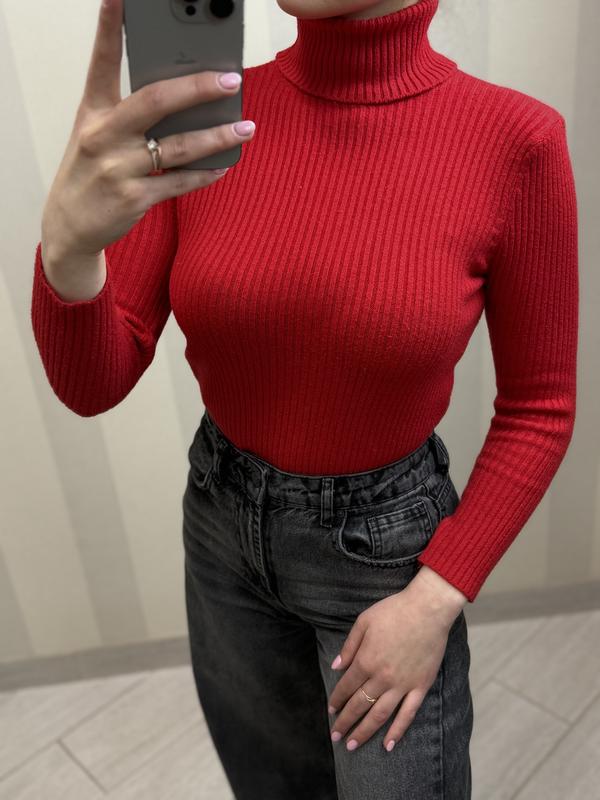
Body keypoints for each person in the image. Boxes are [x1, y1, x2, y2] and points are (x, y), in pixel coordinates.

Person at [30, 0, 578, 797]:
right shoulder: (205, 118)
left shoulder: (515, 140)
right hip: (221, 528)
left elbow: (540, 409)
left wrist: (435, 599)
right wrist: (70, 249)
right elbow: (94, 384)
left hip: (387, 562)